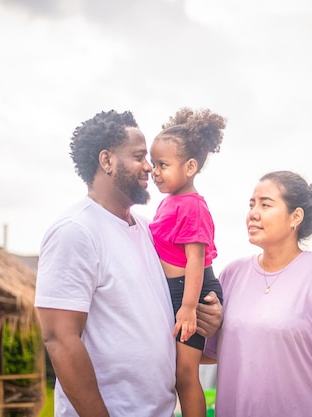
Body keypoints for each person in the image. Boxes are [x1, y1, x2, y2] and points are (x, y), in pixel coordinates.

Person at [34, 109, 223, 417]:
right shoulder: (76, 231)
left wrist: (207, 318)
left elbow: (160, 324)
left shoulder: (150, 231)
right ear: (107, 161)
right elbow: (59, 339)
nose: (149, 167)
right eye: (139, 156)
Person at [204, 170, 312, 417]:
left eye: (265, 204)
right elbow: (208, 354)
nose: (253, 214)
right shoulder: (232, 274)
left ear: (295, 217)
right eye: (251, 204)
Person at [149, 107, 226, 417]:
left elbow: (195, 260)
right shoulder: (169, 203)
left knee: (185, 375)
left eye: (163, 165)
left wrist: (189, 307)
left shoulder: (192, 206)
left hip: (192, 292)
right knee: (174, 373)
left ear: (190, 167)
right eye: (153, 164)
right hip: (177, 292)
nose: (155, 171)